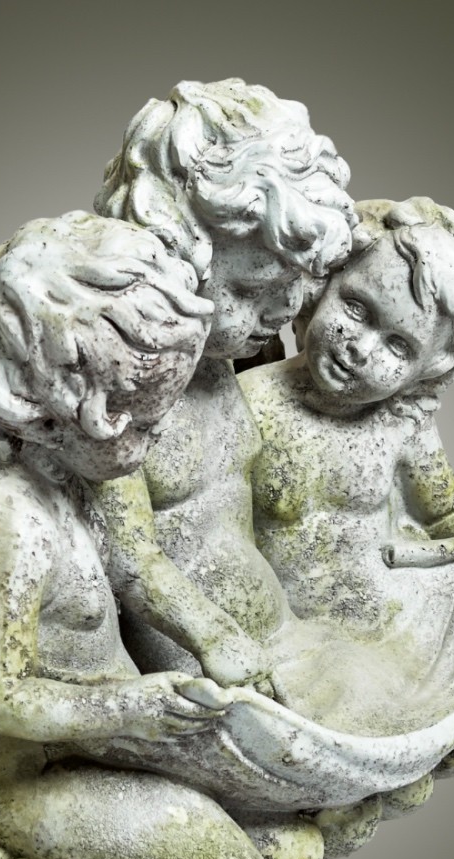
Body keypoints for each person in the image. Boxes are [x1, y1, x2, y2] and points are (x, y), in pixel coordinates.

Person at [0, 211, 325, 859]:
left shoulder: (76, 454)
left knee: (299, 845)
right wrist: (136, 707)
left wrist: (219, 640)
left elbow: (135, 564)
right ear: (57, 403)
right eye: (140, 423)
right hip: (31, 776)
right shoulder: (0, 517)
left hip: (116, 746)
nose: (153, 440)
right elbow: (0, 699)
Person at [238, 197, 454, 748]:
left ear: (427, 369)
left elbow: (443, 516)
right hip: (305, 635)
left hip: (403, 607)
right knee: (369, 734)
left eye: (399, 346)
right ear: (322, 285)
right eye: (356, 308)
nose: (360, 348)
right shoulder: (247, 406)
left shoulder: (401, 424)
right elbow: (216, 545)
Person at [92, 78, 358, 689]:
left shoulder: (224, 358)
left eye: (295, 285)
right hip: (204, 675)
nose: (285, 310)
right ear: (172, 256)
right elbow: (129, 559)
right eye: (251, 290)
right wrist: (216, 642)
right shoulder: (118, 396)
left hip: (280, 637)